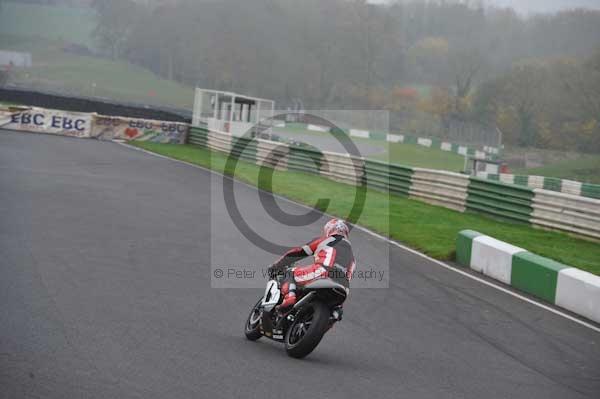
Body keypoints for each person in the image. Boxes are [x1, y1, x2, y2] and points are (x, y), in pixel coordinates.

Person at [267, 219, 356, 310]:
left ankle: (290, 297)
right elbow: (349, 275)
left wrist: (277, 266)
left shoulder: (326, 240)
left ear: (329, 229)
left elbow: (297, 253)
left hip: (323, 271)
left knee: (290, 273)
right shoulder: (352, 257)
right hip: (344, 285)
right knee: (335, 311)